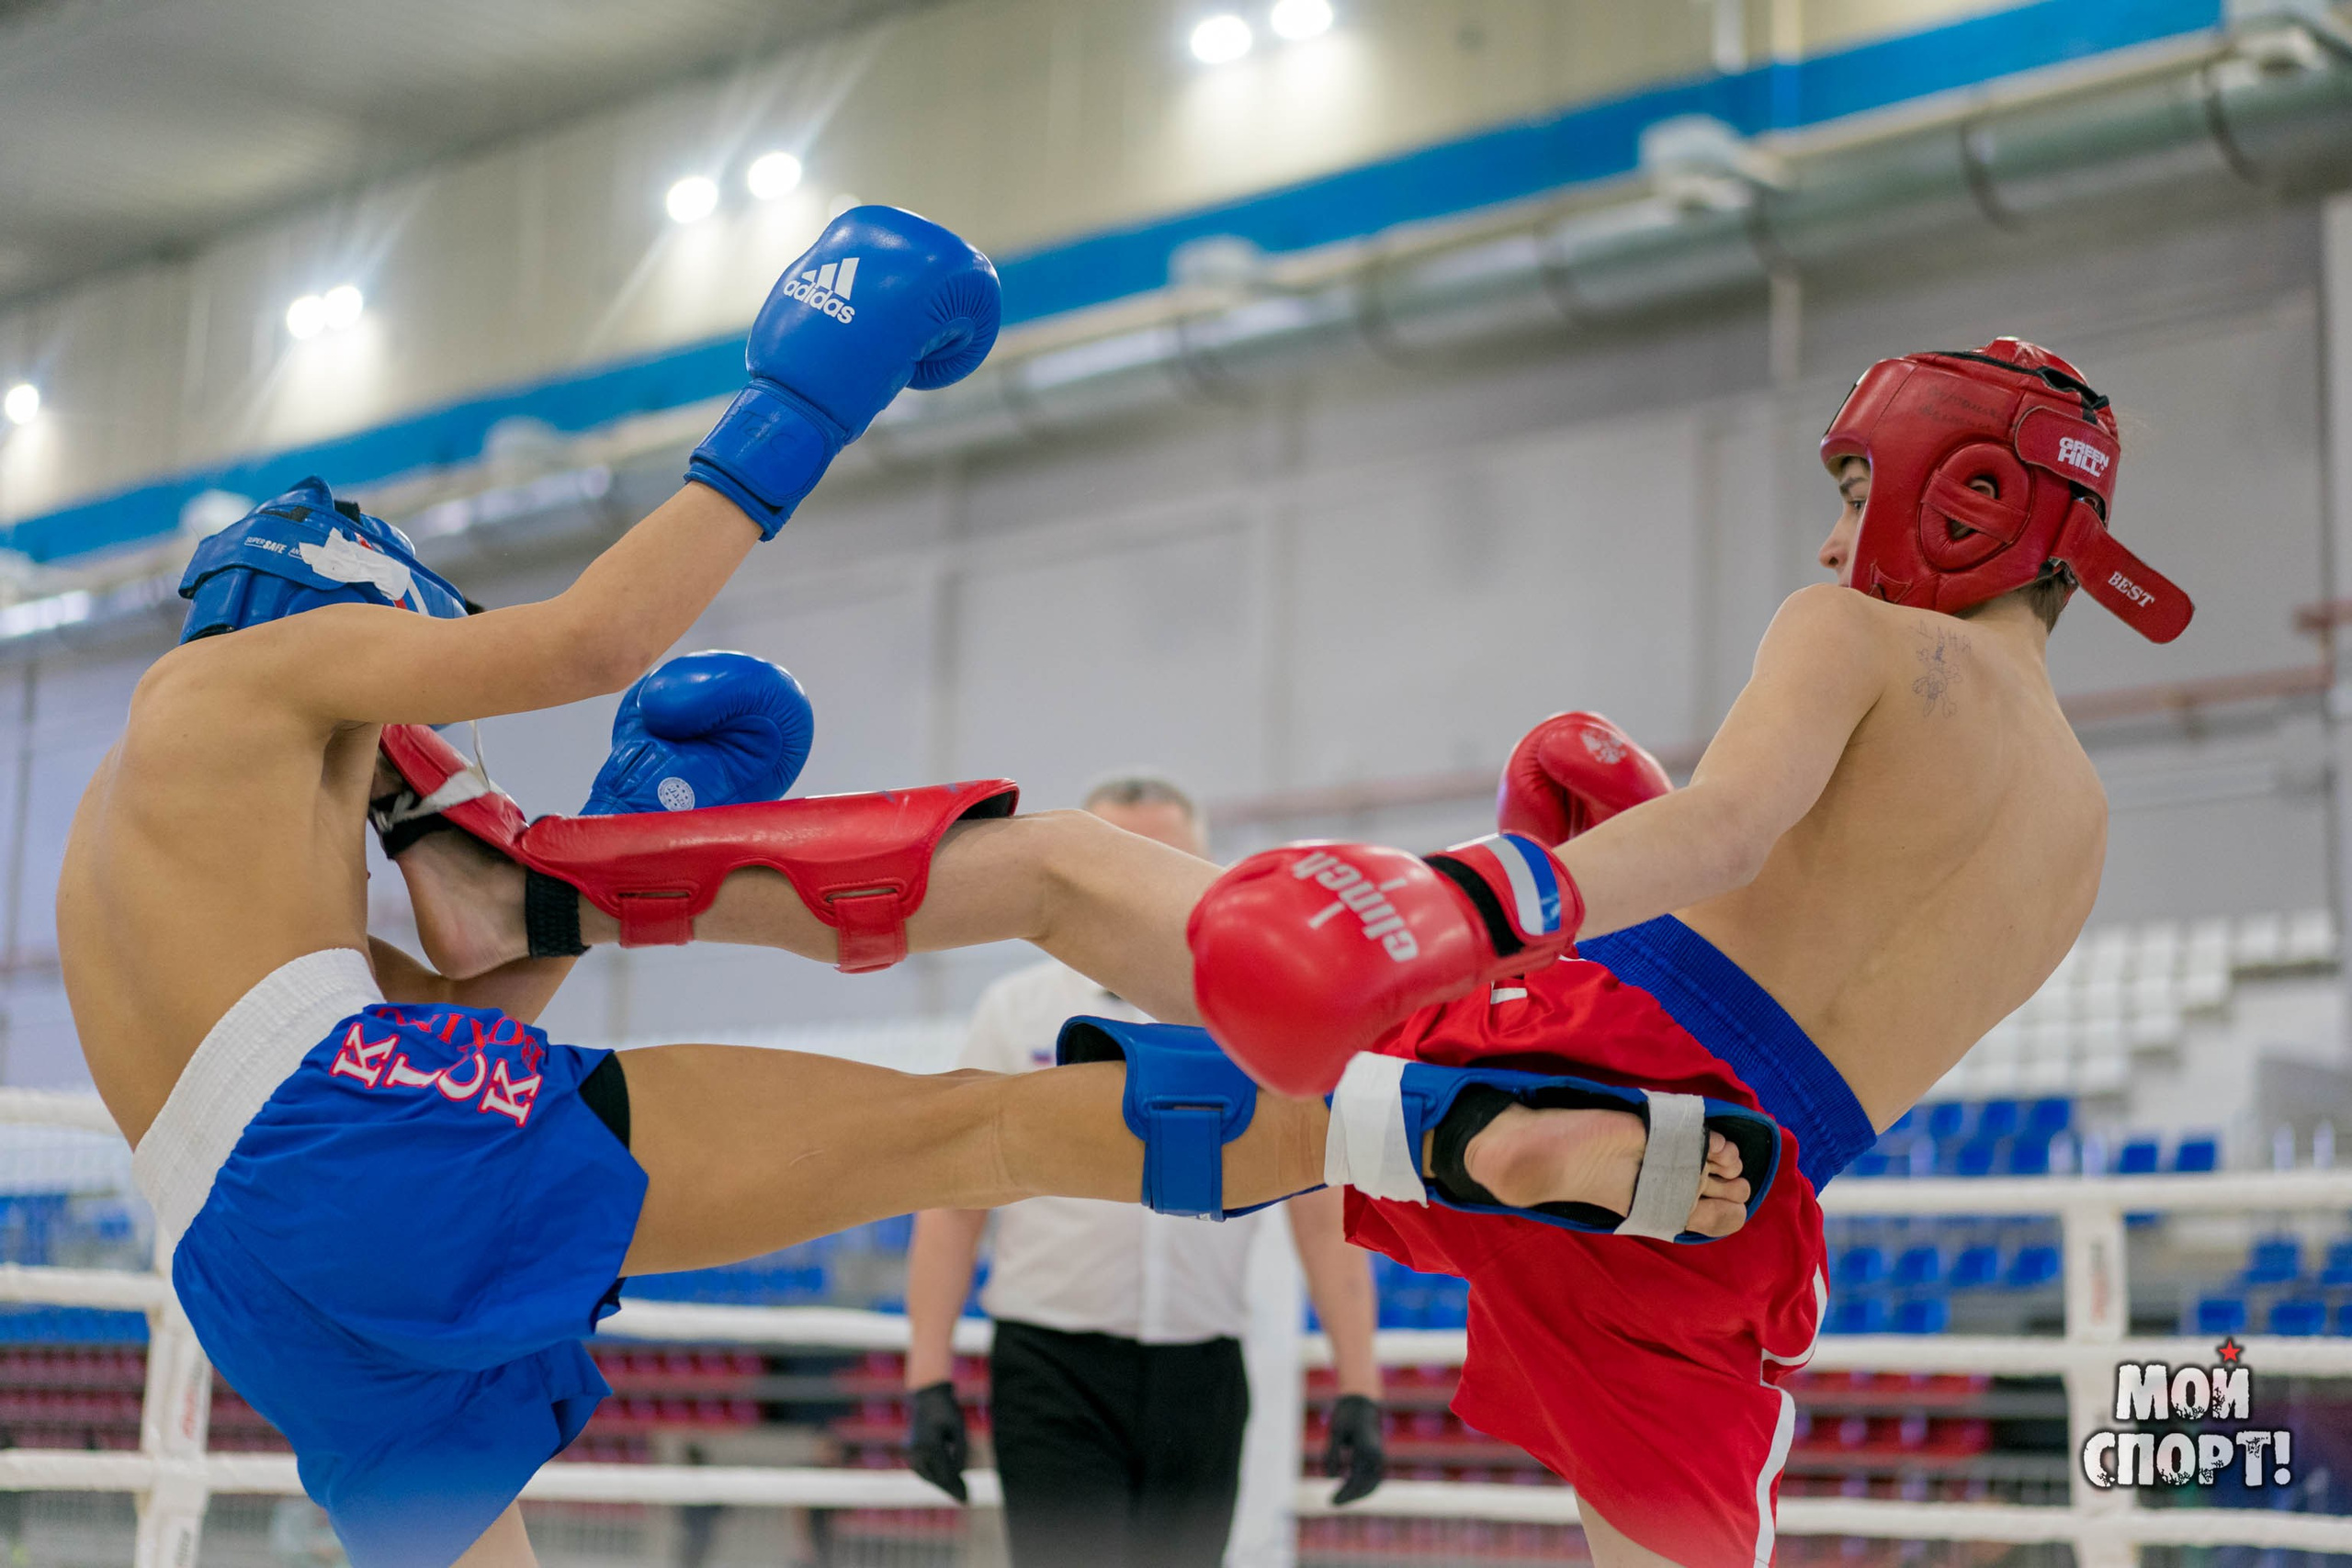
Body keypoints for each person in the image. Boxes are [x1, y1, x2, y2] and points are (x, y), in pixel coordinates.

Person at [389, 337, 2194, 1567]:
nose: (1827, 524)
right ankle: (1484, 1144)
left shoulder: (1863, 629)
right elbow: (1808, 944)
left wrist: (1476, 896)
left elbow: (1721, 835)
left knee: (1069, 883)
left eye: (1848, 479)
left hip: (1604, 1032)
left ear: (1949, 498)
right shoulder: (2082, 825)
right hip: (1738, 1203)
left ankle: (536, 896)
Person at [59, 204, 1007, 1568]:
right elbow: (594, 637)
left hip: (252, 1245)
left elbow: (462, 1008)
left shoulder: (168, 845)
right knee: (968, 1123)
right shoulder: (246, 678)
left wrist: (618, 823)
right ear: (340, 608)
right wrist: (801, 400)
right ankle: (1347, 1129)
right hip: (319, 1159)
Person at [903, 774, 1385, 1568]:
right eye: (1121, 862)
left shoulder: (1265, 1020)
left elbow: (1319, 1206)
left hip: (1203, 1370)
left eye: (1166, 862)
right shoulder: (1014, 1012)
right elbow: (954, 1204)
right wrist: (929, 1375)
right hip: (1051, 1366)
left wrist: (1359, 1383)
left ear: (1207, 874)